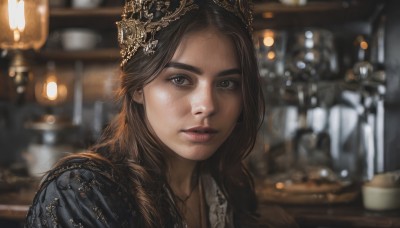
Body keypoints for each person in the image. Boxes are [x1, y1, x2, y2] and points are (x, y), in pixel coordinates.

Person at [25, 0, 268, 227]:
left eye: (227, 83)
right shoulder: (82, 195)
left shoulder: (232, 187)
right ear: (138, 88)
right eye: (180, 79)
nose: (207, 106)